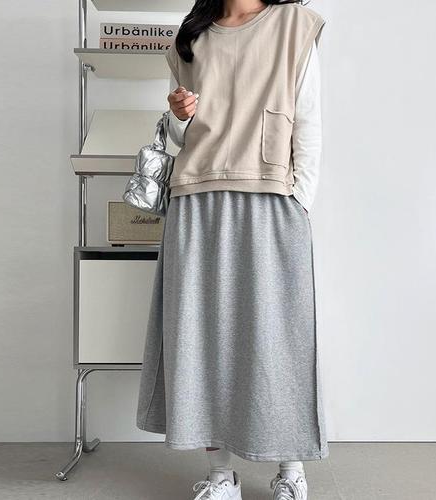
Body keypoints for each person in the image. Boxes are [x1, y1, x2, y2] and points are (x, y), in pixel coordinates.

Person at [136, 1, 328, 498]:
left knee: (278, 338)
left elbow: (309, 119)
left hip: (271, 196)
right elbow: (181, 133)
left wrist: (300, 200)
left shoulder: (294, 24)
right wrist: (178, 116)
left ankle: (291, 472)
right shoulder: (192, 35)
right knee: (201, 339)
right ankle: (220, 475)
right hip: (196, 197)